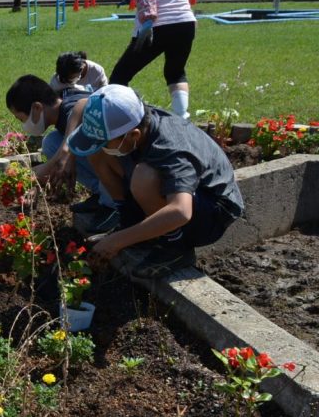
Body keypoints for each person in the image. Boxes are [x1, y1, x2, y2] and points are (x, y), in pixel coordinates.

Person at [67, 84, 244, 278]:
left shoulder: (171, 147)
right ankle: (130, 222)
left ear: (134, 135)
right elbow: (82, 105)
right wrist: (126, 234)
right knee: (99, 152)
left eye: (109, 141)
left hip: (212, 210)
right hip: (185, 196)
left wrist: (116, 241)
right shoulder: (135, 120)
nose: (106, 146)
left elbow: (180, 212)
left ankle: (174, 247)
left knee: (145, 177)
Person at [6, 75, 120, 233]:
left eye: (21, 119)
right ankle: (101, 193)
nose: (24, 125)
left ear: (37, 108)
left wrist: (54, 163)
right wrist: (41, 181)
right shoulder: (65, 101)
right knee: (52, 142)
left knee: (90, 147)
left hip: (126, 165)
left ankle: (113, 203)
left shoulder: (69, 110)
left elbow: (84, 118)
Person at [109, 0, 197, 119]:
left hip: (157, 27)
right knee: (175, 72)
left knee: (119, 77)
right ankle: (182, 115)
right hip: (186, 23)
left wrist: (148, 21)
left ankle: (125, 117)